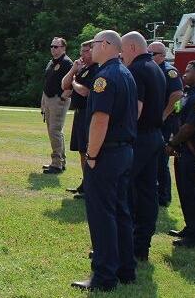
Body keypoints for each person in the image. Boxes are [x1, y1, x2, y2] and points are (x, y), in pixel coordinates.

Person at [72, 30, 138, 292]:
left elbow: (100, 119)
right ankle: (125, 269)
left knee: (102, 215)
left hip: (107, 154)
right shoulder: (124, 73)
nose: (92, 47)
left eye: (96, 43)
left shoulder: (104, 78)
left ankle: (104, 275)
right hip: (123, 152)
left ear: (108, 45)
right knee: (121, 212)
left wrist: (91, 154)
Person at [121, 31, 166, 262]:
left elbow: (135, 111)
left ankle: (125, 245)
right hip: (155, 136)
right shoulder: (156, 68)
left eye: (122, 49)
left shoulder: (136, 70)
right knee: (148, 192)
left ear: (131, 48)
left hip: (139, 138)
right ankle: (141, 246)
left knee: (125, 191)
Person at [165, 60, 195, 248]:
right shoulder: (189, 94)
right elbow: (179, 118)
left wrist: (172, 143)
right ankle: (189, 227)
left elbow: (189, 127)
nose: (184, 74)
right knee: (185, 190)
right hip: (184, 149)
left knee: (194, 192)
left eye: (188, 71)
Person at [149, 41, 184, 207]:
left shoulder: (169, 71)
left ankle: (164, 196)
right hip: (154, 121)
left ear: (163, 56)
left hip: (166, 122)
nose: (149, 57)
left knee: (161, 159)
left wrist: (164, 114)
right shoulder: (152, 68)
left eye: (152, 54)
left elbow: (177, 93)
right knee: (152, 158)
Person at [63, 40, 98, 198]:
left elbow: (85, 92)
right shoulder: (83, 69)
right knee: (81, 149)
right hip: (79, 113)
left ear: (93, 51)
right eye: (81, 51)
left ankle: (90, 186)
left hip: (88, 114)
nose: (81, 54)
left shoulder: (96, 70)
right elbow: (64, 85)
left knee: (87, 150)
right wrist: (73, 70)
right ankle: (86, 183)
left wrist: (75, 81)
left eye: (85, 51)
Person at [41, 37, 74, 174]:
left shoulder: (67, 63)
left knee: (55, 131)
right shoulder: (50, 63)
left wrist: (62, 98)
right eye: (52, 46)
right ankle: (61, 161)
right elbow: (47, 82)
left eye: (56, 47)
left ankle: (56, 164)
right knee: (54, 131)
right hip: (48, 99)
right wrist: (43, 102)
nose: (53, 49)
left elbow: (71, 83)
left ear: (63, 48)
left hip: (58, 99)